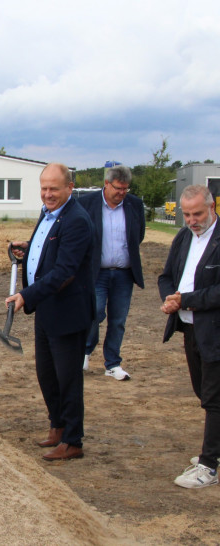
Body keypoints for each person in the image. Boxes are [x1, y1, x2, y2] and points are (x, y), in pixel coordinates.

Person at [6, 163, 94, 461]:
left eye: (54, 188)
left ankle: (73, 440)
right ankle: (57, 426)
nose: (47, 194)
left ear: (70, 188)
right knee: (47, 374)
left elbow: (65, 271)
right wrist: (28, 248)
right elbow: (49, 248)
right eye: (44, 188)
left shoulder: (77, 220)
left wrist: (25, 295)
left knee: (68, 378)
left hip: (67, 312)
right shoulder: (48, 214)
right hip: (47, 309)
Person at [159, 184, 220, 489]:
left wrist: (187, 299)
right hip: (189, 327)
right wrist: (170, 299)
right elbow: (167, 275)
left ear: (212, 207)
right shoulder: (184, 236)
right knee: (202, 391)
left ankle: (208, 466)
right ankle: (215, 452)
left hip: (215, 330)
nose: (192, 220)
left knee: (214, 397)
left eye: (197, 213)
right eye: (186, 214)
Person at [78, 165, 145, 380]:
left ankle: (113, 364)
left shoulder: (134, 205)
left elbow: (139, 234)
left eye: (126, 189)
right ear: (106, 184)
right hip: (96, 273)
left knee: (118, 319)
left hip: (124, 274)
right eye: (118, 188)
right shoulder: (87, 204)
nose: (122, 193)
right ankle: (86, 351)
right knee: (93, 313)